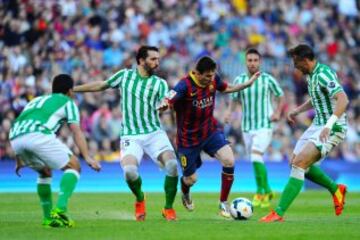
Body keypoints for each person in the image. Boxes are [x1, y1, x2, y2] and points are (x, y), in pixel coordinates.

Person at [73, 46, 179, 221]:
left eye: (158, 59)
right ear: (141, 60)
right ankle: (140, 198)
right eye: (153, 59)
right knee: (129, 171)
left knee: (173, 166)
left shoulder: (160, 83)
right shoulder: (124, 76)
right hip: (131, 135)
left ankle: (168, 208)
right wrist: (74, 89)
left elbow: (165, 102)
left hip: (154, 133)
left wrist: (165, 106)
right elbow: (101, 85)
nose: (157, 63)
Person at [159, 56, 260, 218]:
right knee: (191, 179)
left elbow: (226, 88)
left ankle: (223, 202)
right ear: (197, 73)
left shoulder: (213, 79)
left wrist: (246, 84)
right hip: (188, 141)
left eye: (212, 75)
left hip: (209, 132)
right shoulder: (184, 85)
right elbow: (168, 98)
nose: (210, 79)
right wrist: (164, 104)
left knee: (229, 160)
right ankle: (185, 192)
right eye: (207, 76)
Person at [260, 44, 349, 222]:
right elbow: (316, 98)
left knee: (300, 163)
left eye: (296, 62)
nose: (295, 67)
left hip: (333, 126)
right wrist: (297, 111)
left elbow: (343, 99)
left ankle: (278, 212)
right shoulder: (311, 76)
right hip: (318, 124)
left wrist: (329, 125)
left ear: (306, 60)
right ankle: (335, 189)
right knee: (295, 162)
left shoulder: (325, 74)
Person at [9, 74, 101, 228]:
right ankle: (61, 209)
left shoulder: (36, 100)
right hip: (37, 135)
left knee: (44, 172)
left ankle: (48, 219)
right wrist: (87, 157)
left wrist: (19, 159)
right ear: (70, 91)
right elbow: (76, 131)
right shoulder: (68, 102)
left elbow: (22, 124)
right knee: (74, 166)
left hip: (15, 138)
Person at [226, 48, 285, 208]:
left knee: (256, 155)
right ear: (246, 62)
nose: (252, 63)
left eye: (255, 60)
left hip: (264, 124)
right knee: (255, 159)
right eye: (250, 60)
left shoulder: (268, 79)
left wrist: (278, 112)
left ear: (260, 62)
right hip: (247, 127)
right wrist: (229, 113)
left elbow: (280, 95)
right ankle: (268, 189)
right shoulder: (240, 79)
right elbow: (234, 98)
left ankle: (260, 192)